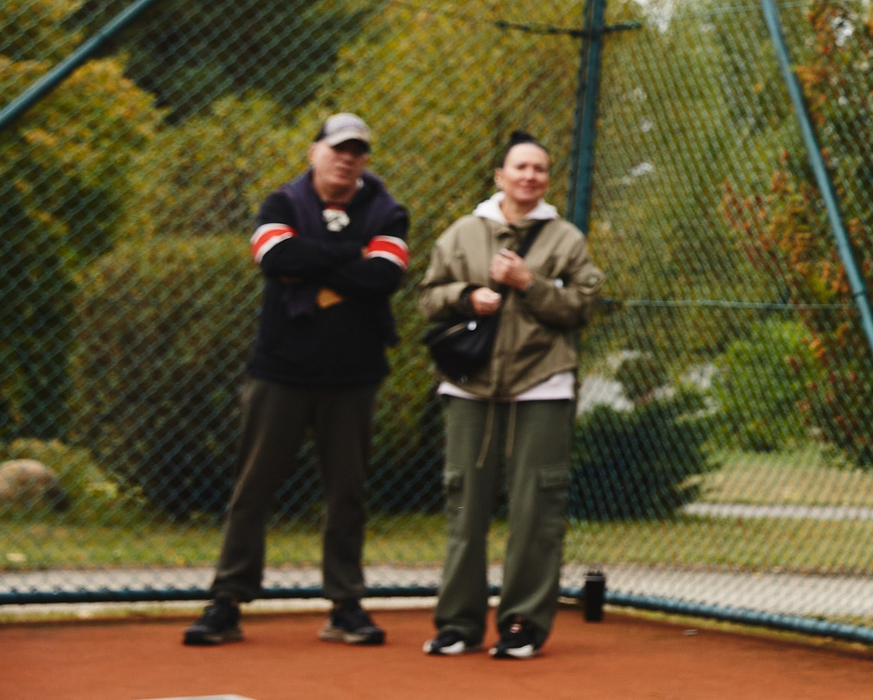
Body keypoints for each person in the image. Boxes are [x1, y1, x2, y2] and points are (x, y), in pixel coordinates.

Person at [183, 111, 411, 650]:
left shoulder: (387, 210)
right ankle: (227, 601)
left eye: (357, 150)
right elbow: (272, 255)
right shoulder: (281, 203)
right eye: (338, 148)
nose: (347, 158)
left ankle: (346, 605)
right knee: (253, 488)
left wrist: (309, 264)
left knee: (347, 493)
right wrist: (350, 255)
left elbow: (386, 275)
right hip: (281, 370)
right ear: (314, 152)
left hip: (353, 374)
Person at [416, 132, 602, 659]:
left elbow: (584, 306)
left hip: (543, 383)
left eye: (540, 169)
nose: (530, 176)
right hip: (470, 387)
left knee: (535, 511)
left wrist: (530, 283)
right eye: (520, 167)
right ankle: (458, 624)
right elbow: (428, 298)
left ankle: (522, 625)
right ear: (500, 175)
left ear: (546, 179)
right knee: (464, 507)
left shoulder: (566, 239)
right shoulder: (461, 234)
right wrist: (465, 297)